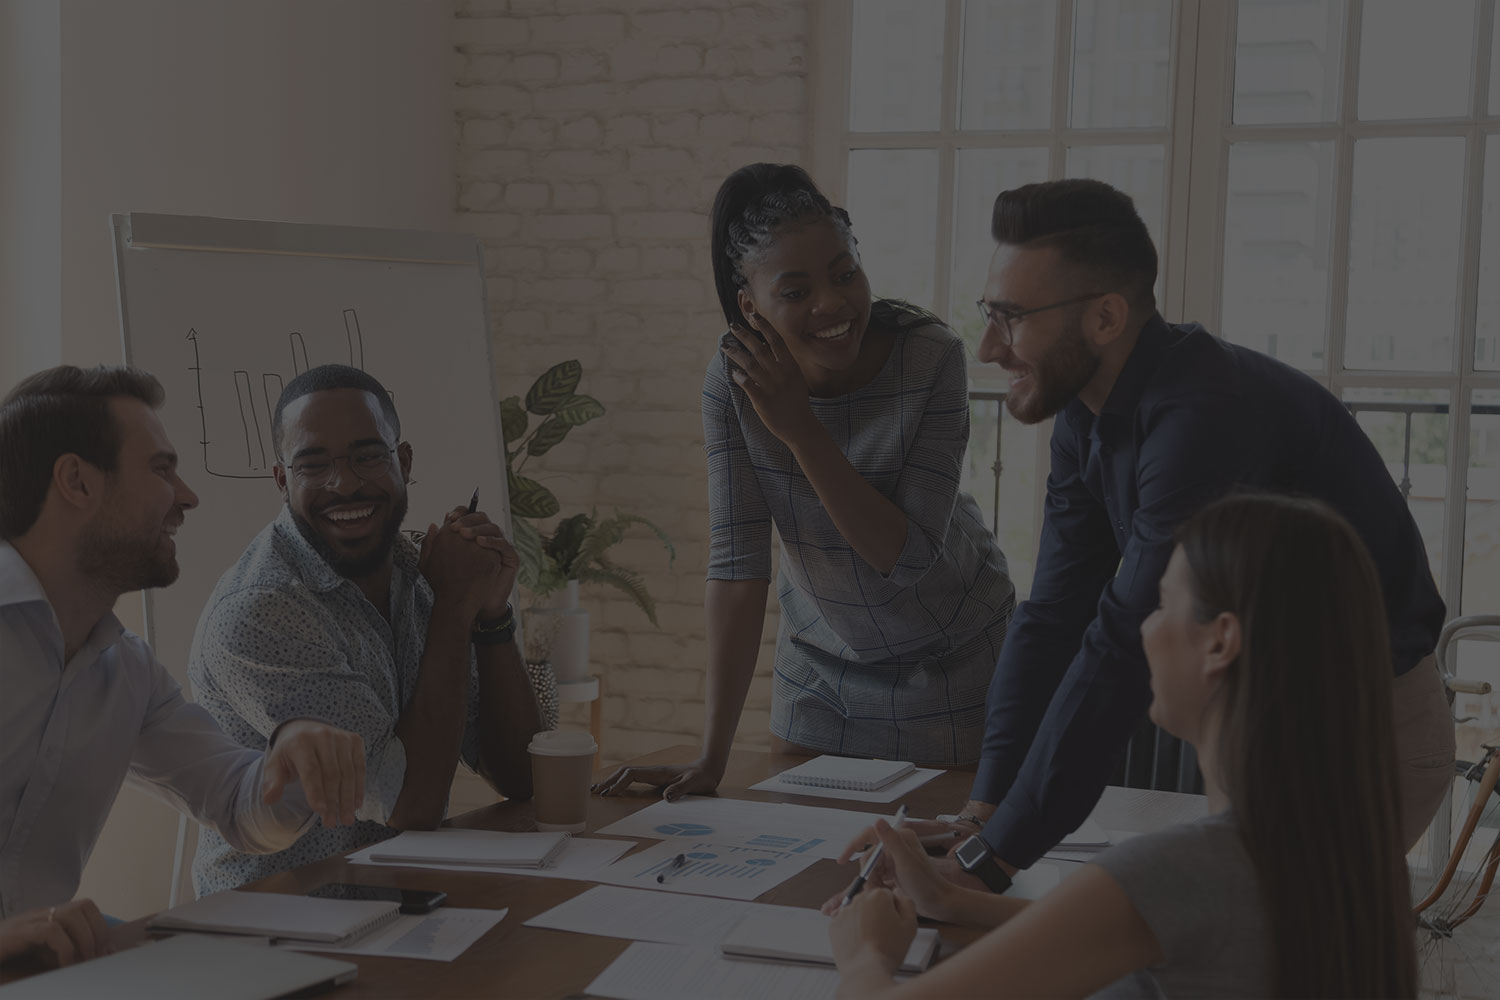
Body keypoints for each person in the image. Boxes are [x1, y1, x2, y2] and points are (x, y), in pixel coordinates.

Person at [933, 179, 1450, 880]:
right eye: (988, 312)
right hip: (1264, 717)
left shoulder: (1203, 420)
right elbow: (1055, 615)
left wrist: (991, 862)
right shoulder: (1086, 412)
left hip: (1359, 729)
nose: (989, 346)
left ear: (1107, 318)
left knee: (1273, 967)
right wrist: (983, 815)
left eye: (1012, 316)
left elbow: (1120, 644)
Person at [829, 493, 1418, 999]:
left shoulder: (1184, 866)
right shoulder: (1326, 850)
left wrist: (865, 956)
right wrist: (951, 900)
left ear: (1221, 643)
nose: (1146, 628)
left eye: (1164, 605)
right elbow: (1154, 926)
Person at [595, 164, 1015, 798]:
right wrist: (712, 758)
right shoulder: (732, 382)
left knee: (934, 877)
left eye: (845, 275)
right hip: (821, 672)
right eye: (794, 292)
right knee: (797, 872)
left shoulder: (931, 357)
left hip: (956, 664)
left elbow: (903, 557)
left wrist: (801, 430)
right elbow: (738, 566)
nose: (831, 305)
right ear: (750, 304)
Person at [0, 365, 367, 968]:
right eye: (161, 469)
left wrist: (294, 751)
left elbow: (242, 808)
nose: (188, 496)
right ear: (77, 482)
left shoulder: (127, 671)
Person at [188, 364, 542, 894]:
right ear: (283, 480)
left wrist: (490, 617)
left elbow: (521, 776)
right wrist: (453, 607)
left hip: (399, 897)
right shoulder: (261, 610)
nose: (345, 482)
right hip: (280, 921)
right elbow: (410, 804)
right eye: (313, 464)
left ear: (402, 461)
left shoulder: (414, 568)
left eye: (367, 456)